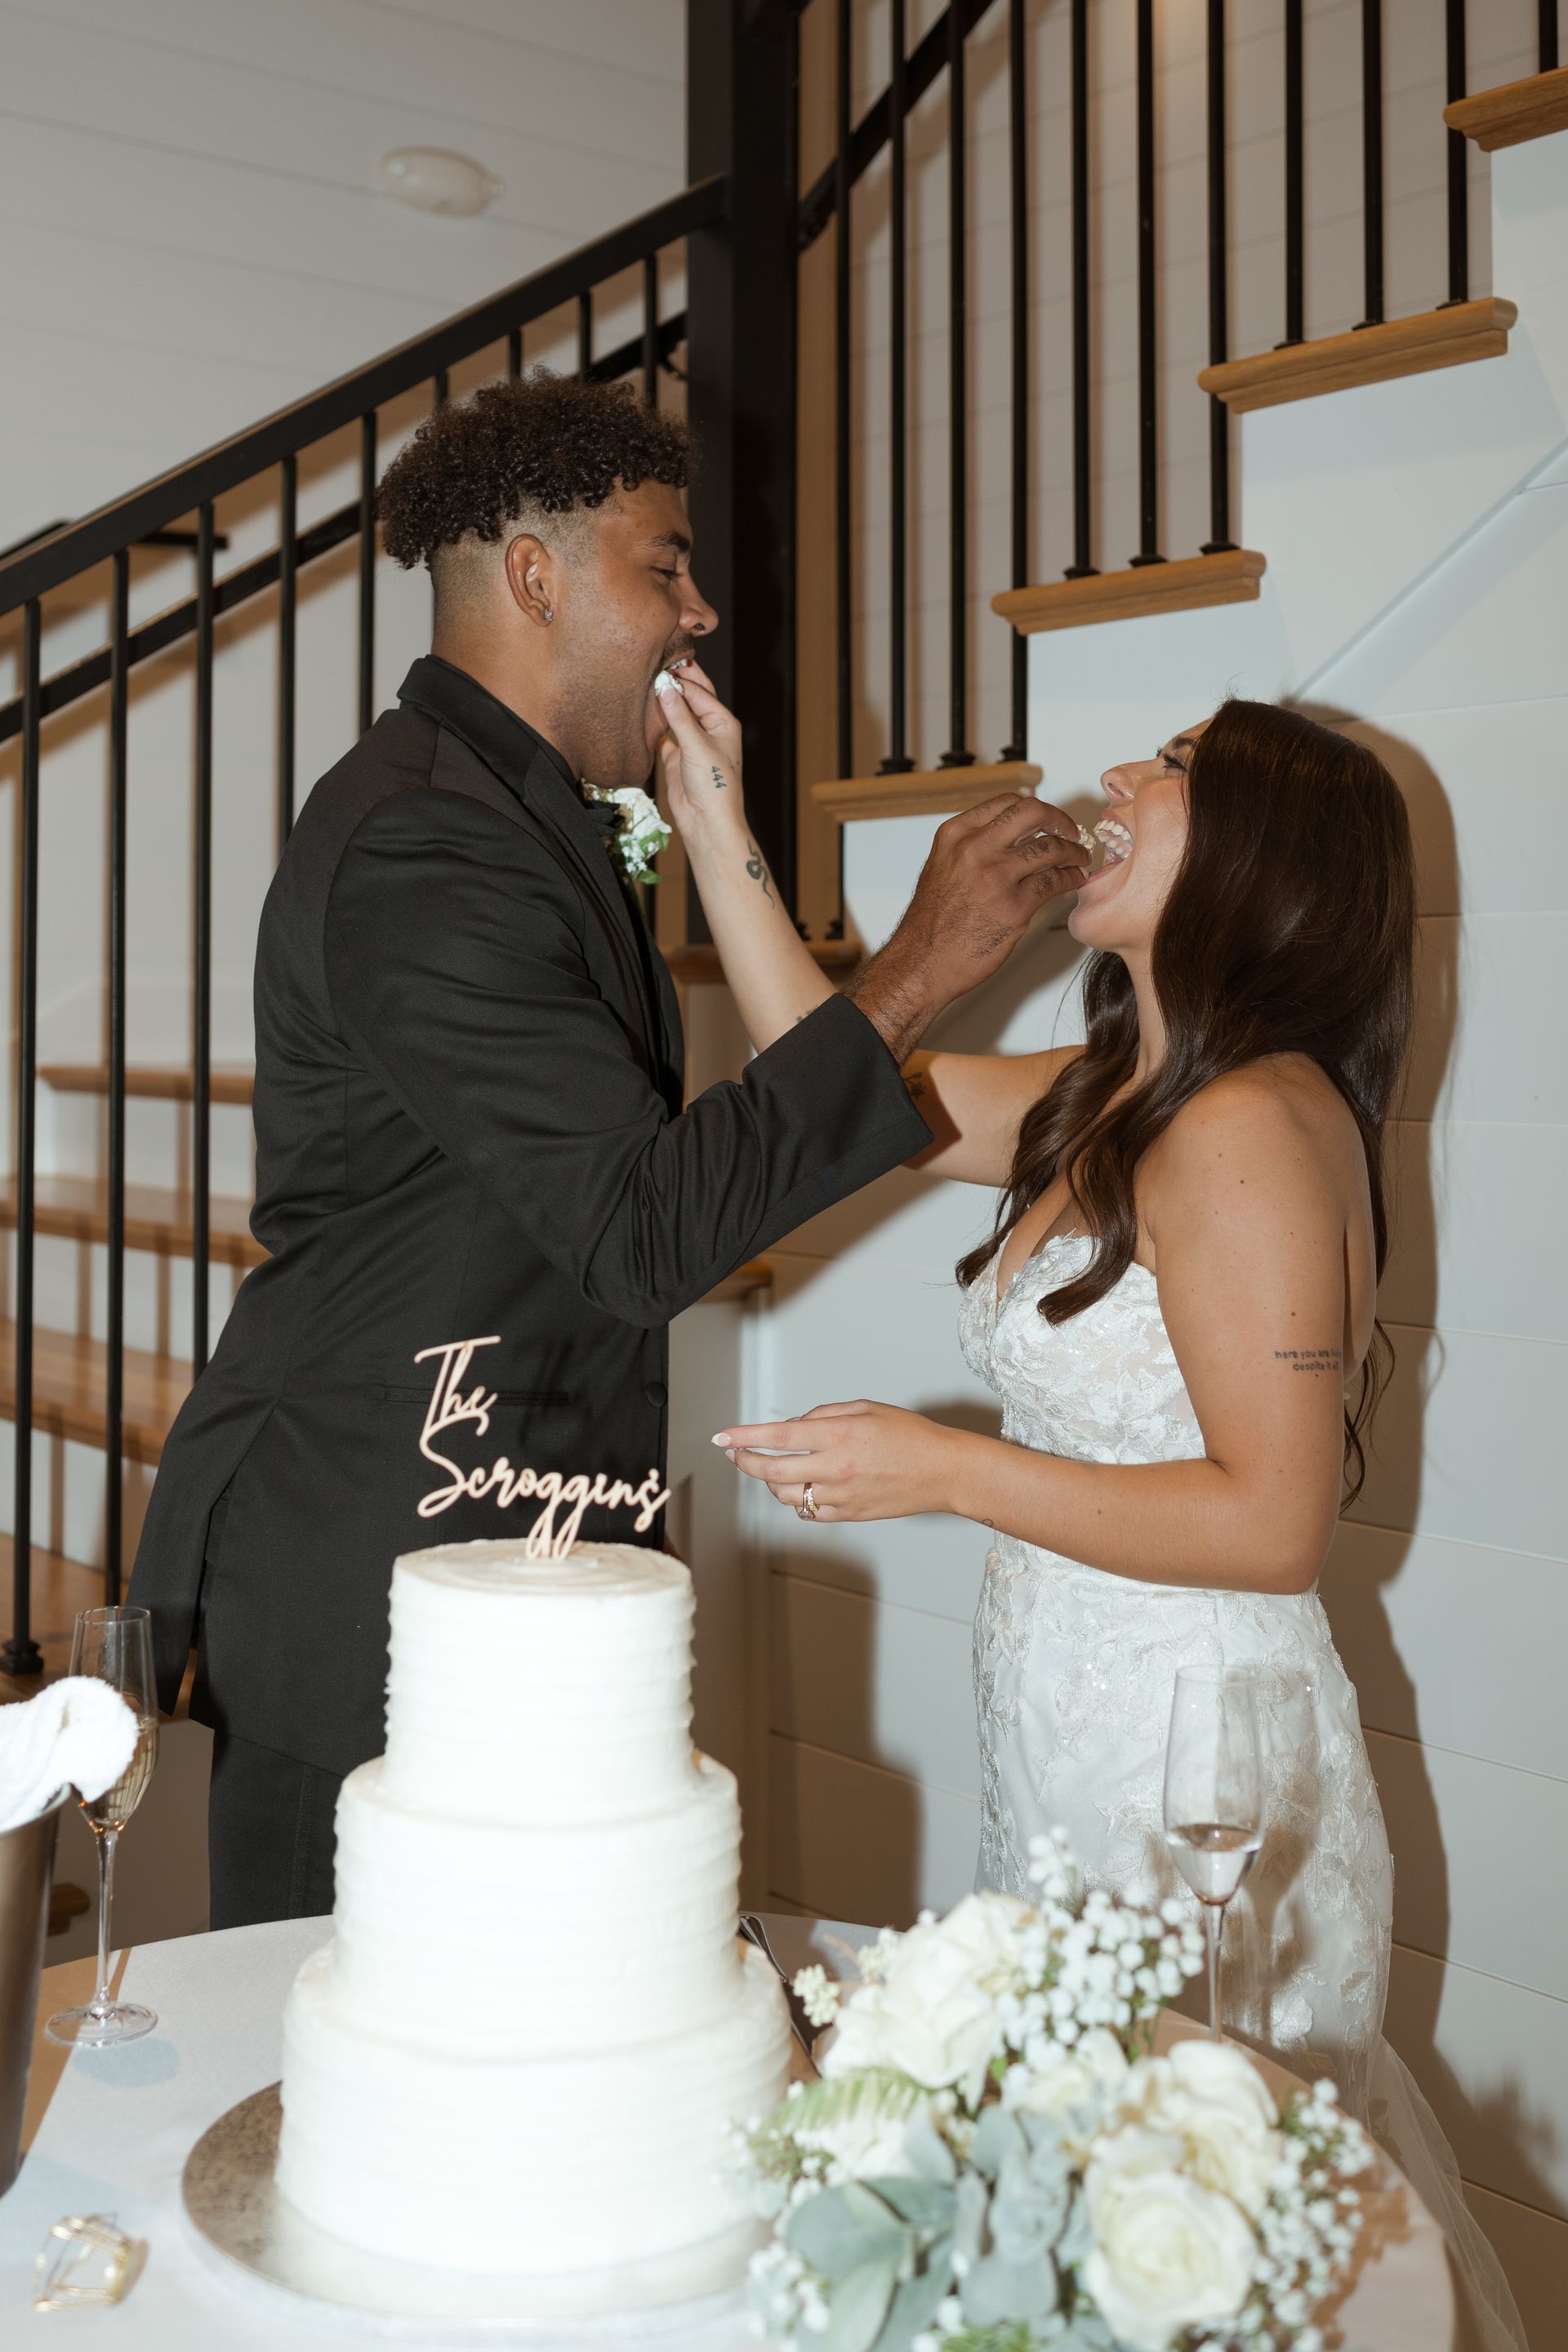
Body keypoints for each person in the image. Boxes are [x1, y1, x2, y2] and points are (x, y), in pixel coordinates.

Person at [127, 371, 1092, 1931]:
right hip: (377, 1543)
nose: (699, 612)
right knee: (337, 2055)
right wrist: (920, 962)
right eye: (666, 566)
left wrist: (712, 833)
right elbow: (646, 1231)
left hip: (513, 1521)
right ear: (534, 576)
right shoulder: (426, 842)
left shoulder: (528, 814)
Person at [685, 692, 1523, 2352]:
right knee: (1094, 2210)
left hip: (1205, 1775)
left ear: (1268, 865)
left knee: (1204, 2232)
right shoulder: (1112, 1089)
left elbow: (1275, 1521)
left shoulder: (1254, 1123)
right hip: (1077, 1728)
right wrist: (709, 809)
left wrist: (943, 1466)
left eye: (1180, 767)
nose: (1120, 776)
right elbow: (832, 1073)